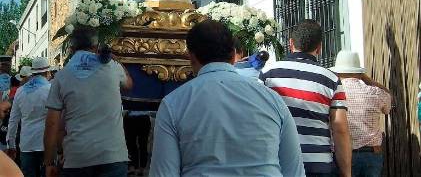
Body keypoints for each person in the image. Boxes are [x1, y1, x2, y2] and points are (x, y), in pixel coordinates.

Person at [149, 20, 305, 177]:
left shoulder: (174, 103)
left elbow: (163, 173)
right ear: (233, 55)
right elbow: (294, 170)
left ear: (191, 57)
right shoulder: (273, 99)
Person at [261, 20, 352, 177]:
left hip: (277, 163)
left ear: (291, 43)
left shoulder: (268, 73)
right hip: (318, 165)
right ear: (319, 48)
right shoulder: (331, 79)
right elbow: (340, 129)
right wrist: (346, 173)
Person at [44, 28, 133, 177]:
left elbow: (52, 123)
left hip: (77, 158)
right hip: (112, 155)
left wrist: (49, 162)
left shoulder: (61, 76)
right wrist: (117, 61)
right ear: (96, 46)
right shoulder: (112, 67)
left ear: (71, 49)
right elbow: (129, 84)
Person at [331, 50, 391, 177]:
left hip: (342, 154)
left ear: (337, 72)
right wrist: (368, 80)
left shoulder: (333, 93)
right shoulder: (375, 92)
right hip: (372, 156)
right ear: (360, 72)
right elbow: (388, 101)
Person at [6, 57, 51, 177]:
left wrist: (11, 144)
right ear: (47, 72)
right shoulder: (50, 89)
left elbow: (13, 120)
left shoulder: (20, 91)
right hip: (46, 144)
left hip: (26, 144)